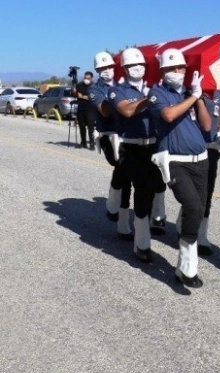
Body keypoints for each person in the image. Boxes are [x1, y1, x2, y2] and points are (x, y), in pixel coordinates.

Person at [148, 48, 211, 287]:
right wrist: (193, 98)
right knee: (193, 205)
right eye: (172, 68)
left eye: (181, 68)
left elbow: (206, 126)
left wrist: (200, 97)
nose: (177, 72)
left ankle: (184, 261)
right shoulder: (157, 93)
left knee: (198, 208)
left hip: (200, 160)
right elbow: (168, 115)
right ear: (163, 71)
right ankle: (187, 267)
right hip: (174, 161)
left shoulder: (190, 93)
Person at [109, 47, 161, 262]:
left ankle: (145, 224)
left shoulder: (153, 88)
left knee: (157, 187)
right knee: (142, 189)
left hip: (153, 147)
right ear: (125, 68)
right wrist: (151, 99)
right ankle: (141, 243)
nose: (137, 68)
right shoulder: (118, 91)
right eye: (132, 65)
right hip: (130, 147)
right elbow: (128, 110)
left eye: (140, 65)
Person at [174, 89, 220, 256]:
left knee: (207, 190)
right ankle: (184, 219)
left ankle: (202, 234)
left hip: (211, 146)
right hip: (192, 146)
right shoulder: (190, 90)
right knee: (191, 190)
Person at [89, 51, 133, 240]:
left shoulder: (125, 83)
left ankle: (121, 215)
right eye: (103, 68)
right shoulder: (94, 89)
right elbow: (105, 111)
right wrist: (119, 99)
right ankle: (119, 214)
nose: (107, 70)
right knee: (123, 169)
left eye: (109, 67)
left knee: (130, 174)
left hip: (128, 134)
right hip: (109, 136)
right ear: (98, 70)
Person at [74, 71, 96, 149]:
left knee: (91, 128)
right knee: (81, 127)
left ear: (91, 78)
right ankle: (83, 143)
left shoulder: (94, 86)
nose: (86, 79)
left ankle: (92, 143)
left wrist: (82, 96)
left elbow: (92, 97)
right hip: (80, 108)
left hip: (90, 109)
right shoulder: (80, 85)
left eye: (88, 78)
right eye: (85, 78)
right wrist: (74, 92)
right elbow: (76, 94)